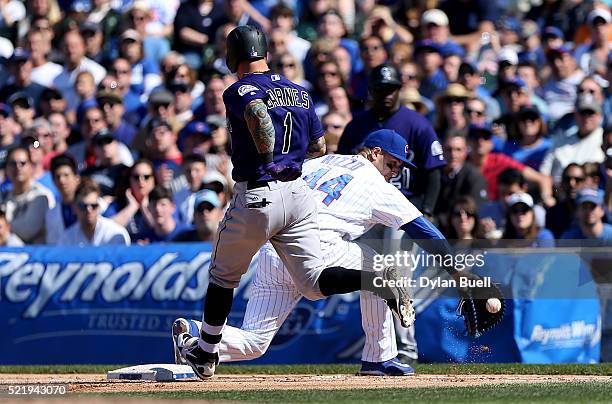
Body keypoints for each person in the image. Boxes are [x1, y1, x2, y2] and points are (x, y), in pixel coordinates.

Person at [176, 26, 415, 380]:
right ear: (266, 54)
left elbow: (257, 114)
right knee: (313, 282)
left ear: (232, 56)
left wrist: (268, 153)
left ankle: (207, 351)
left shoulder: (239, 88)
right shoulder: (299, 93)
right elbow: (319, 148)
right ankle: (371, 279)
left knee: (223, 276)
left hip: (259, 193)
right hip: (298, 196)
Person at [174, 129, 471, 376]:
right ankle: (379, 357)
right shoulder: (376, 184)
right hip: (315, 247)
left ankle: (195, 335)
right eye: (393, 164)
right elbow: (422, 229)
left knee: (255, 343)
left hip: (274, 248)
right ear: (374, 152)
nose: (394, 174)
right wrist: (457, 270)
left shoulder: (322, 161)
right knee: (376, 267)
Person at [0, 146, 54, 244]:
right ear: (6, 169)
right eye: (13, 164)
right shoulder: (4, 196)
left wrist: (4, 227)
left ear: (31, 167)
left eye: (23, 163)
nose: (18, 167)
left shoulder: (41, 195)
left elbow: (28, 230)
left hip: (36, 256)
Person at [57, 179, 130, 246]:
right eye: (83, 206)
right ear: (74, 207)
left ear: (99, 206)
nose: (89, 210)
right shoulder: (66, 238)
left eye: (94, 206)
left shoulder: (115, 233)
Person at [436, 134, 488, 227]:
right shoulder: (437, 174)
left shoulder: (474, 176)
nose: (453, 154)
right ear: (442, 151)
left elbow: (476, 210)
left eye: (458, 149)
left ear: (465, 152)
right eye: (449, 149)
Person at [45, 154, 80, 245]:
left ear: (77, 178)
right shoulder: (51, 214)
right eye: (58, 176)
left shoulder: (95, 205)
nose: (62, 180)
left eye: (66, 175)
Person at [546, 163, 586, 238]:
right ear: (562, 183)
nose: (572, 183)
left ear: (585, 183)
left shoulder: (595, 210)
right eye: (567, 179)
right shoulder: (553, 213)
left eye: (577, 180)